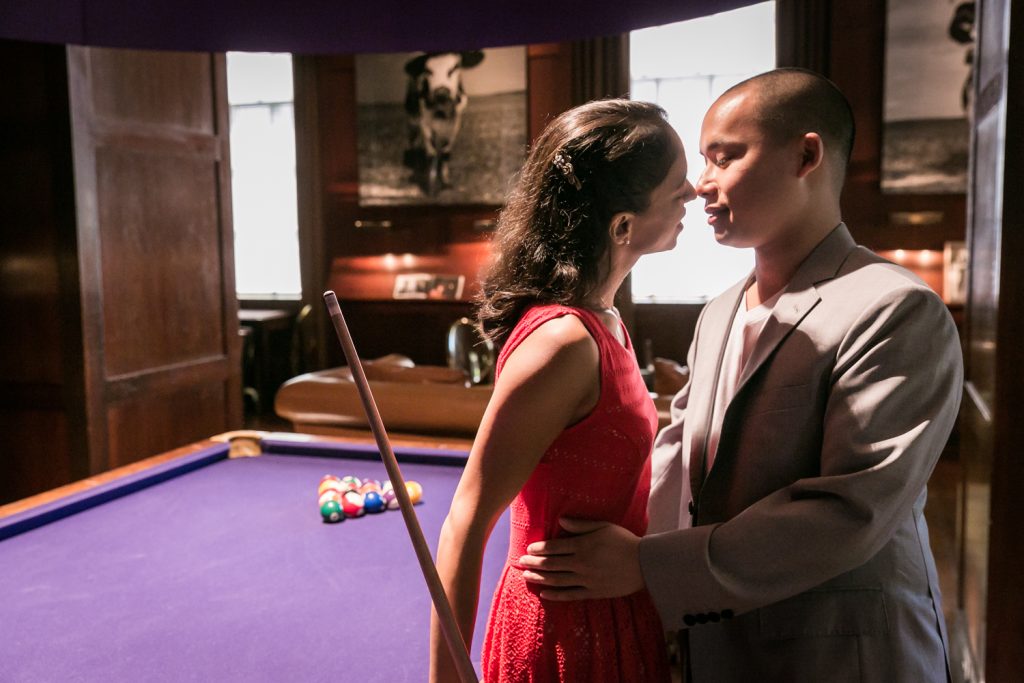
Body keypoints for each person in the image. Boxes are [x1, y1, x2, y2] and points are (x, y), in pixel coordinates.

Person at [519, 68, 963, 682]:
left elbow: (850, 511)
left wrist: (647, 566)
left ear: (806, 155)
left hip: (838, 656)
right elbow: (678, 460)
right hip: (718, 648)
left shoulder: (895, 308)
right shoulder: (720, 310)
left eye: (725, 158)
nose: (701, 185)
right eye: (703, 161)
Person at [428, 99, 697, 682]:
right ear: (623, 226)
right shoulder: (562, 343)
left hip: (612, 611)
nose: (695, 193)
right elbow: (465, 520)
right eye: (677, 187)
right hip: (561, 636)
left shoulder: (605, 318)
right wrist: (446, 676)